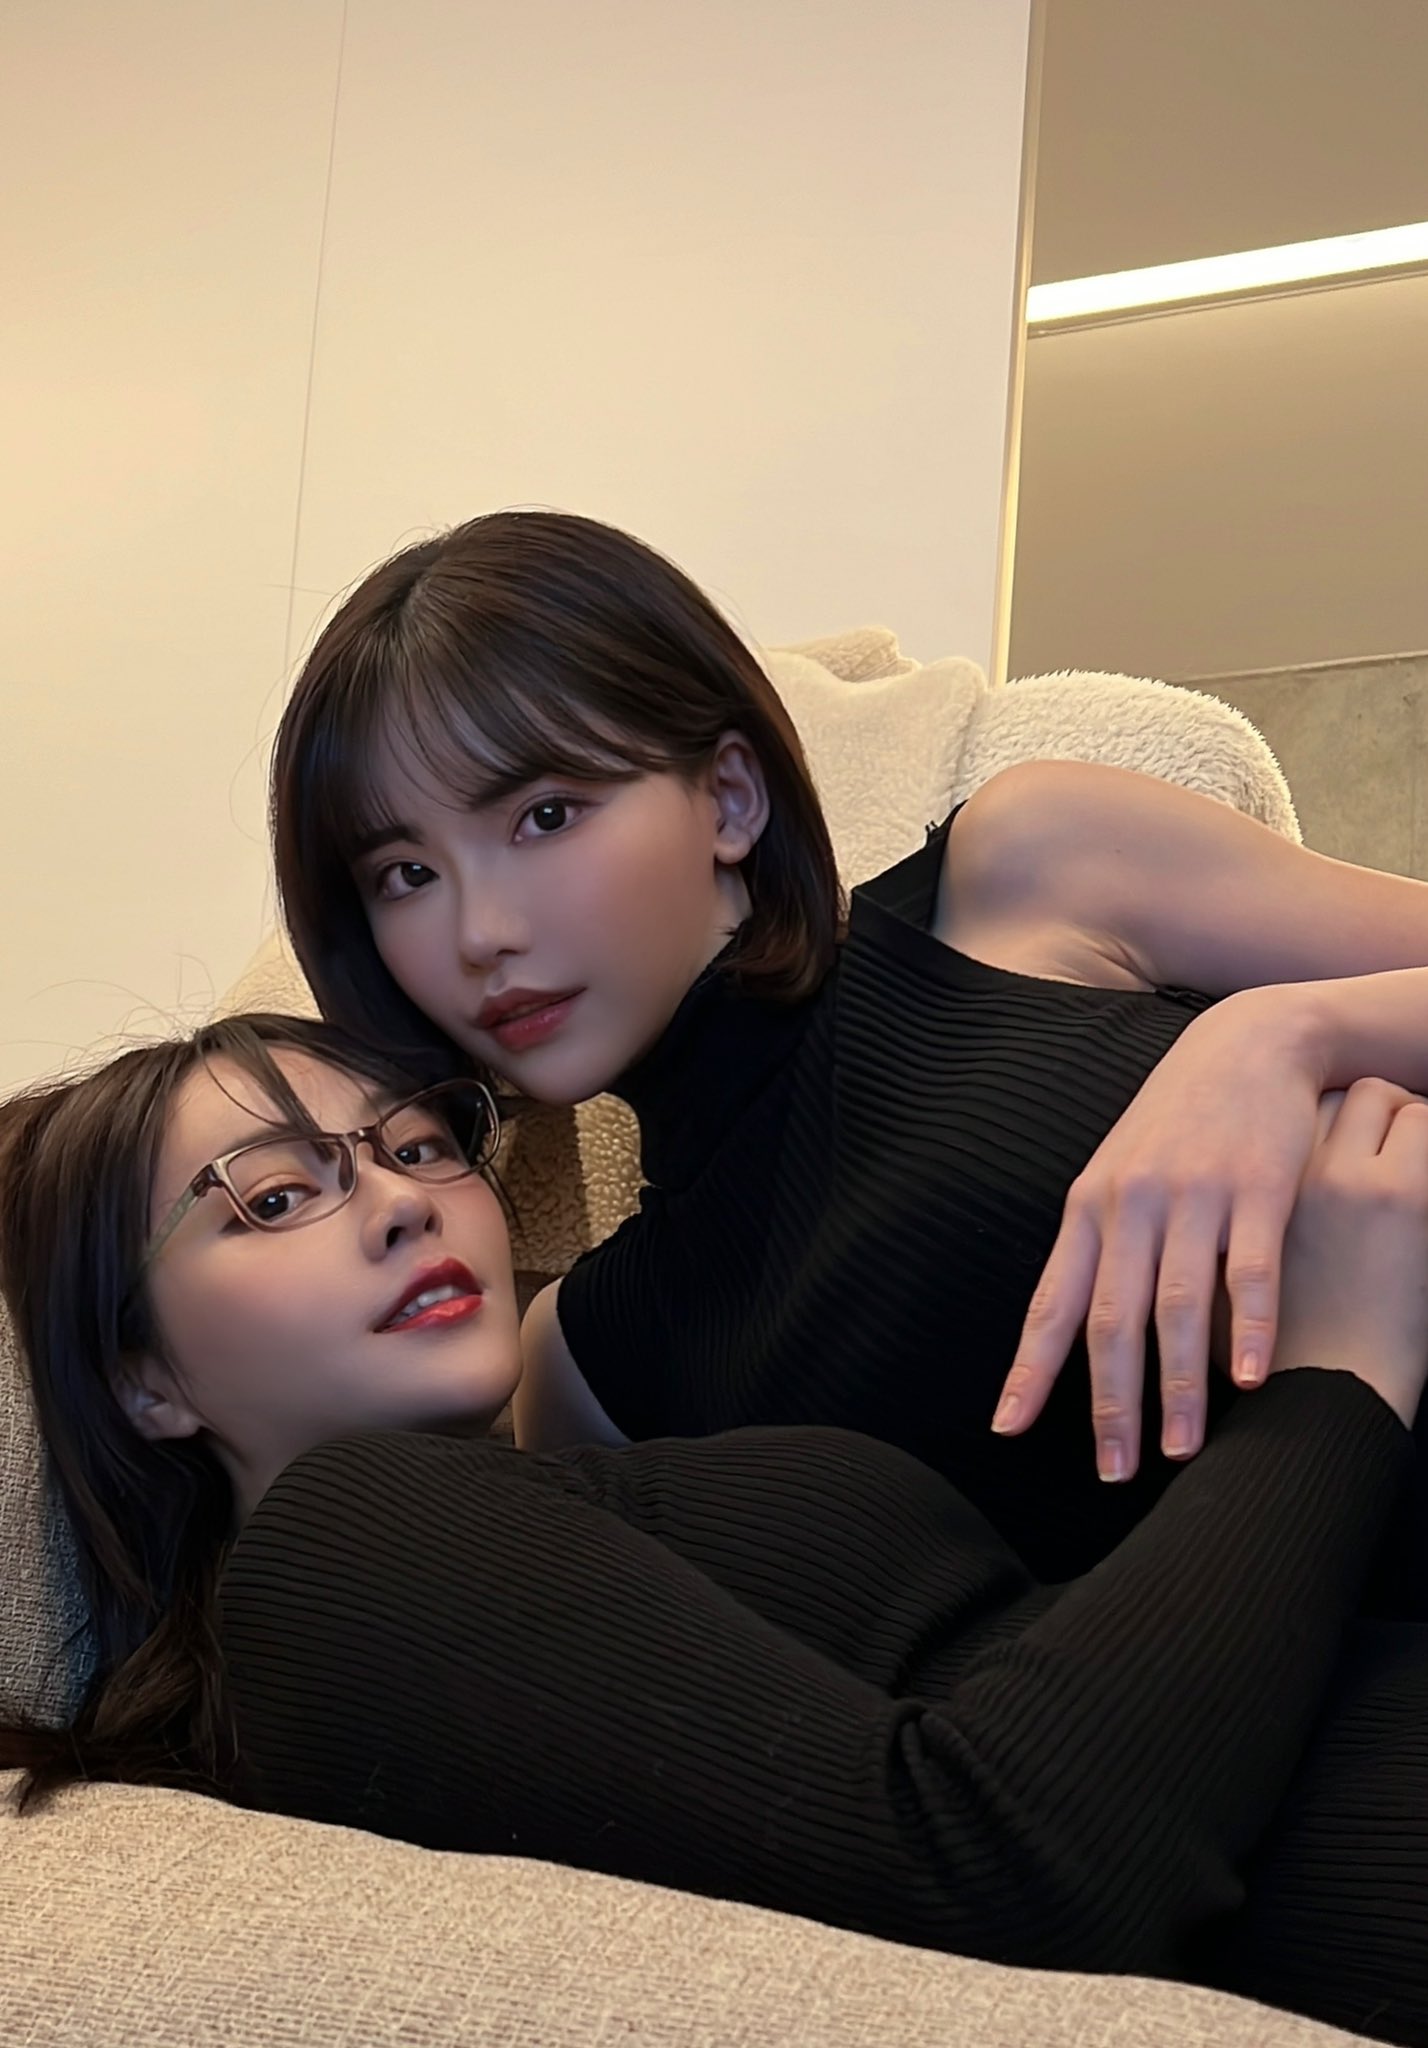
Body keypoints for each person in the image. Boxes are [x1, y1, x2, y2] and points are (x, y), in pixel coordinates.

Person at [1, 1017, 1428, 2044]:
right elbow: (1006, 1870)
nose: (396, 1204)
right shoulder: (335, 1550)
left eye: (420, 1144)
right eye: (274, 1195)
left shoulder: (559, 1499)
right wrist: (1343, 1365)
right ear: (144, 1379)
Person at [270, 510, 1428, 1580]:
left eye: (545, 815)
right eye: (406, 875)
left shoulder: (1030, 860)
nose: (481, 932)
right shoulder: (589, 1368)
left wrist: (1283, 1031)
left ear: (730, 797)